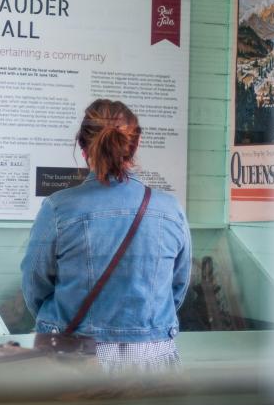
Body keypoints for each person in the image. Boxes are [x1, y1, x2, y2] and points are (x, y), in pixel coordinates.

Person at [21, 99, 191, 374]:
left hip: (76, 357)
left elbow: (35, 283)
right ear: (134, 146)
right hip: (152, 356)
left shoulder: (58, 208)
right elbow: (177, 287)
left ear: (83, 147)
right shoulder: (170, 209)